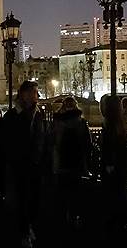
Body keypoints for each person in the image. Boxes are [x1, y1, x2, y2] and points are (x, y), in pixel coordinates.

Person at [4, 80, 49, 248]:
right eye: (32, 93)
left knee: (34, 199)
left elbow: (42, 137)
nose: (35, 96)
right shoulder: (13, 115)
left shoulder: (38, 114)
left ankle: (29, 225)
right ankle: (24, 231)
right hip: (20, 164)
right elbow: (8, 140)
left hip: (36, 164)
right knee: (22, 199)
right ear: (23, 94)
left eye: (36, 93)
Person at [52, 96, 90, 227]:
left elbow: (52, 140)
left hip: (61, 160)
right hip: (76, 160)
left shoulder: (57, 121)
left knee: (62, 190)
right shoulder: (81, 122)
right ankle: (74, 216)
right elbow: (87, 143)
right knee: (75, 191)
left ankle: (63, 217)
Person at [101, 95, 127, 234]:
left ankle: (115, 221)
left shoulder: (110, 124)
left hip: (112, 165)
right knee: (121, 191)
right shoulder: (122, 122)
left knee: (113, 192)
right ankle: (123, 220)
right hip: (122, 164)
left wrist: (109, 164)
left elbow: (109, 146)